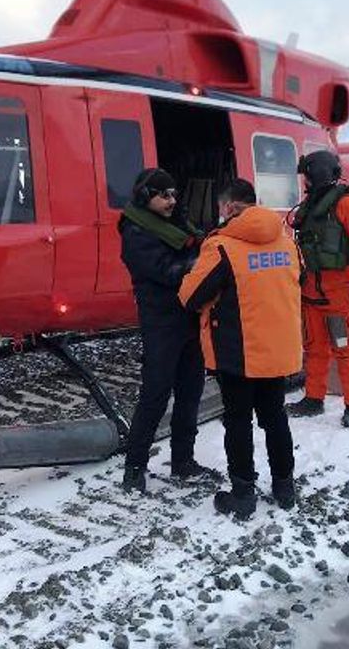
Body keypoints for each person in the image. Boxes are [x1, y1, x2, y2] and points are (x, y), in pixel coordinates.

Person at [179, 178, 302, 518]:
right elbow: (299, 281)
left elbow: (190, 297)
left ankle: (243, 494)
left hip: (239, 351)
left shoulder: (221, 246)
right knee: (275, 416)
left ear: (230, 207)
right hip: (277, 348)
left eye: (221, 207)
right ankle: (284, 487)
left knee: (238, 421)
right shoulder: (287, 240)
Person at [119, 167, 211, 492]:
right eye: (164, 195)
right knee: (155, 395)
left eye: (174, 194)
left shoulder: (178, 223)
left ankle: (183, 461)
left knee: (191, 392)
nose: (172, 200)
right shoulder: (135, 232)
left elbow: (198, 245)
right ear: (147, 197)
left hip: (188, 317)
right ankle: (134, 468)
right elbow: (165, 271)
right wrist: (201, 264)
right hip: (161, 323)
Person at [287, 150, 349, 428]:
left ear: (317, 174)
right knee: (314, 349)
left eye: (307, 176)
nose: (305, 182)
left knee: (344, 349)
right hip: (311, 292)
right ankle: (314, 399)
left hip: (338, 295)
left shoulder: (346, 205)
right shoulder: (310, 206)